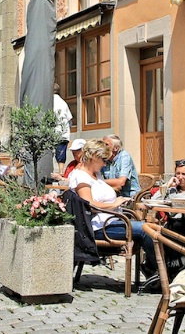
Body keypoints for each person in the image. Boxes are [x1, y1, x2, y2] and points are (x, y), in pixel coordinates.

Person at [68, 139, 157, 276]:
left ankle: (161, 268)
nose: (105, 164)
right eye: (104, 160)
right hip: (99, 227)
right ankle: (156, 271)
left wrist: (119, 202)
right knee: (147, 231)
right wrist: (114, 204)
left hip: (111, 221)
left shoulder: (95, 174)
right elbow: (88, 205)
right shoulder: (81, 177)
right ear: (94, 157)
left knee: (153, 227)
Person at [53, 83, 73, 174]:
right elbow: (69, 118)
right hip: (64, 132)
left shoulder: (50, 102)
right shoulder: (63, 102)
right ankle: (61, 170)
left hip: (53, 131)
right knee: (61, 151)